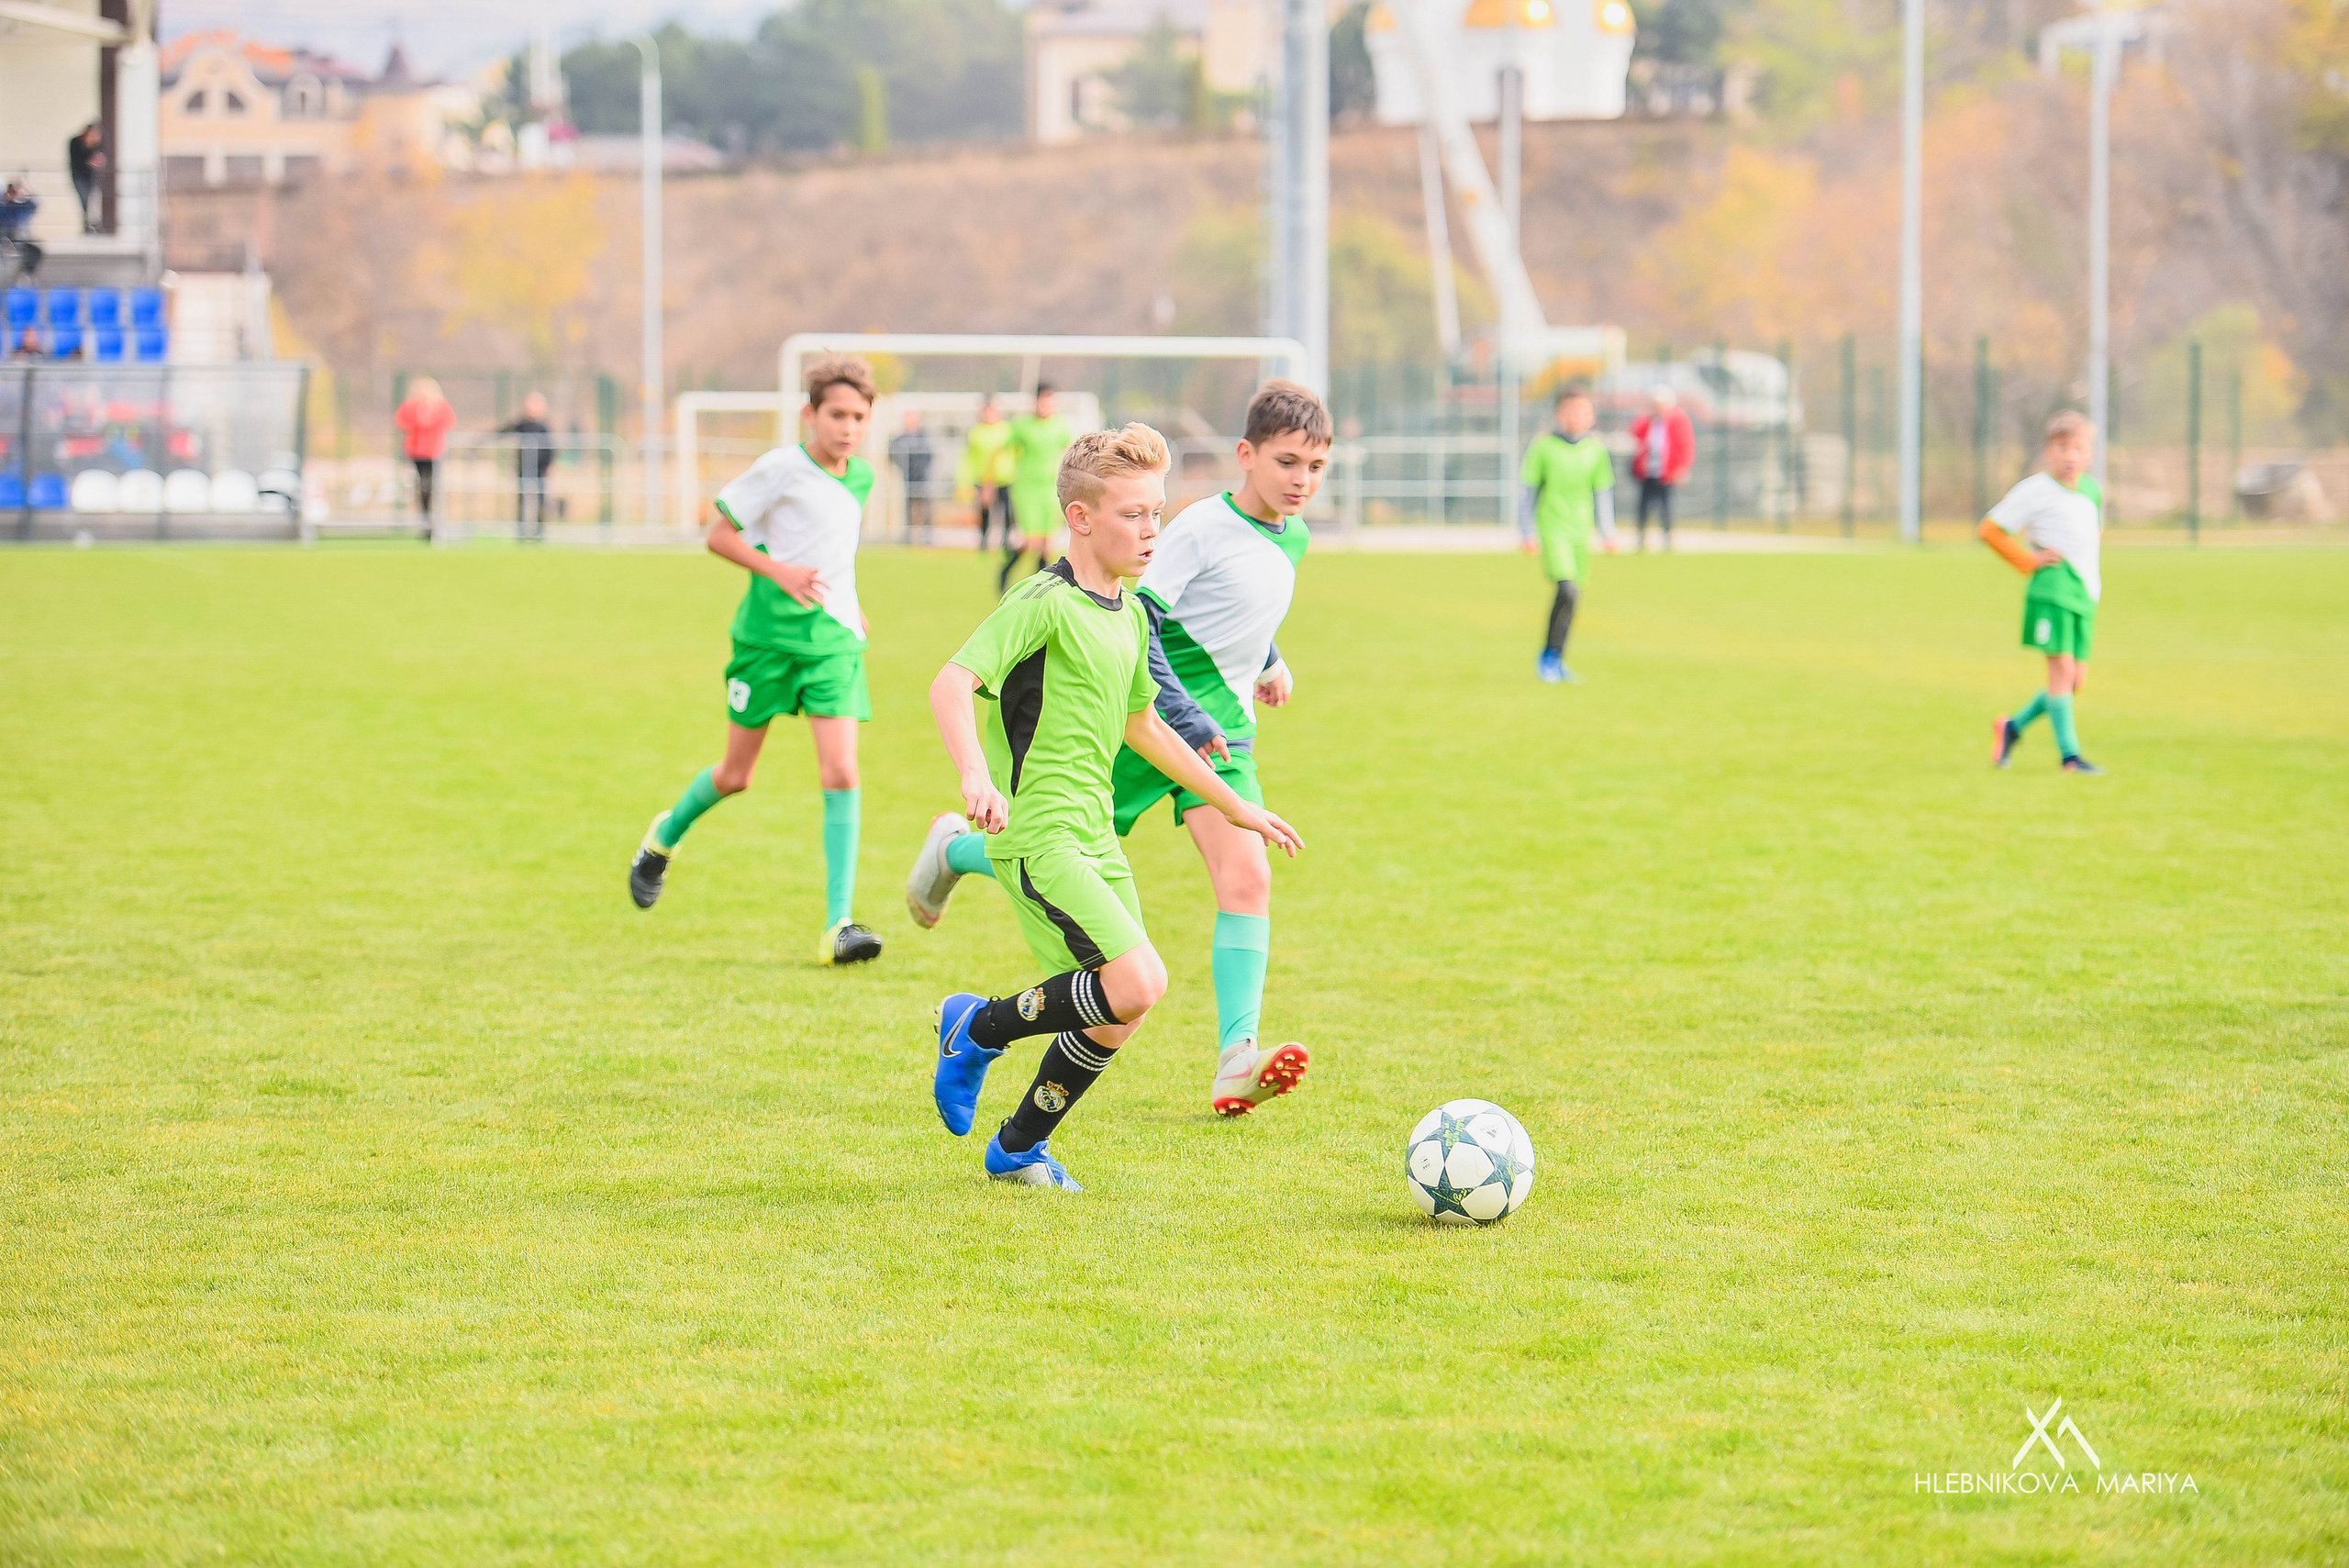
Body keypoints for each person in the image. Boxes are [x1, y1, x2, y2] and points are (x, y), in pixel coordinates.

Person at [907, 381, 1330, 1118]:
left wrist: (1239, 801)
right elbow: (953, 681)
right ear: (1081, 517)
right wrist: (975, 774)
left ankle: (1024, 1142)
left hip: (1125, 805)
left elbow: (1151, 719)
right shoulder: (1052, 598)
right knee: (1130, 973)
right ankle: (973, 1016)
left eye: (1155, 513)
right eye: (1135, 514)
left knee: (1129, 997)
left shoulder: (1136, 610)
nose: (1151, 530)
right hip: (1058, 812)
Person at [627, 355, 887, 964]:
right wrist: (779, 572)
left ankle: (839, 925)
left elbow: (833, 551)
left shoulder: (862, 478)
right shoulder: (780, 468)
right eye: (837, 414)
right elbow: (718, 535)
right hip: (765, 643)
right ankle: (664, 837)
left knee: (842, 772)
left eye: (858, 417)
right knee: (736, 775)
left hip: (832, 645)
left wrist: (851, 604)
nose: (848, 427)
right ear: (809, 414)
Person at [1985, 411, 2107, 775]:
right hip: (2052, 590)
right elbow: (1990, 530)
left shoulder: (2092, 490)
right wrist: (2029, 561)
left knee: (2074, 682)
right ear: (2048, 452)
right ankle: (2070, 758)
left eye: (2078, 448)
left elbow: (2093, 534)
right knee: (2062, 673)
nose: (2070, 456)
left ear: (2090, 454)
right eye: (2062, 447)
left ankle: (2012, 727)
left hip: (2084, 594)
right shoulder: (2035, 490)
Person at [1520, 384, 1616, 684]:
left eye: (1584, 412)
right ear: (1559, 414)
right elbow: (1529, 492)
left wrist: (1608, 532)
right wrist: (1527, 532)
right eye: (1572, 411)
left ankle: (1556, 658)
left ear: (1592, 416)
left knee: (1574, 597)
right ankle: (1548, 658)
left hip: (1580, 532)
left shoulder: (1596, 450)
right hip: (1553, 529)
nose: (1578, 417)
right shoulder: (1543, 447)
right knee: (1567, 589)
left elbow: (1602, 493)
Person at [1001, 384, 1074, 592]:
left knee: (1047, 544)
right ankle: (1005, 570)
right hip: (1027, 488)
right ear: (1036, 402)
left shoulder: (1060, 426)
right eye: (1043, 401)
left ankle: (1038, 588)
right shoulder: (1022, 425)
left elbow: (1069, 450)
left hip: (1050, 489)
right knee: (1031, 540)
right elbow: (1005, 449)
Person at [1628, 384, 1695, 552]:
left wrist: (1682, 467)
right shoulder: (1648, 421)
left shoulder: (1678, 421)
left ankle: (1667, 539)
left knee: (1666, 507)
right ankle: (1641, 539)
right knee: (1643, 506)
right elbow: (1635, 434)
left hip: (1667, 472)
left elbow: (1686, 445)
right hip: (1647, 471)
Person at [392, 378, 455, 537]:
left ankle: (435, 519)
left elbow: (448, 422)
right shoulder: (411, 406)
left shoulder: (440, 406)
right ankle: (425, 520)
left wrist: (430, 421)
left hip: (435, 451)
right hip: (416, 451)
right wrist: (419, 422)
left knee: (433, 485)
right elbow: (401, 421)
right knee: (422, 485)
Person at [957, 395, 1016, 555]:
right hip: (983, 478)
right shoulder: (976, 432)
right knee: (984, 510)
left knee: (1006, 510)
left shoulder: (1007, 430)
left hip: (1004, 478)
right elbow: (969, 457)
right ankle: (983, 541)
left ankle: (1006, 541)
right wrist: (965, 480)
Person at [497, 391, 555, 540]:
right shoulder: (522, 424)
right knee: (522, 500)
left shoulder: (544, 427)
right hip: (523, 469)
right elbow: (503, 431)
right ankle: (521, 532)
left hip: (540, 470)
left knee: (541, 502)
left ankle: (540, 533)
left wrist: (549, 466)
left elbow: (551, 450)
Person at [888, 407, 936, 544]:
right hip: (907, 477)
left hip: (923, 478)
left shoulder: (925, 438)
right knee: (908, 507)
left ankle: (927, 536)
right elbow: (893, 456)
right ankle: (909, 535)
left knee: (925, 507)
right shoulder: (899, 440)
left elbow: (930, 456)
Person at [0, 182, 40, 283]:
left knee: (35, 251)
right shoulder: (3, 208)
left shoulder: (21, 208)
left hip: (18, 240)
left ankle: (24, 275)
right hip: (4, 238)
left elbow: (35, 204)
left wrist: (26, 189)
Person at [68, 125, 106, 232]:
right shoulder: (76, 143)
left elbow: (101, 158)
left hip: (92, 177)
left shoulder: (98, 144)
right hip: (79, 176)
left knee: (94, 199)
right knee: (84, 199)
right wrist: (88, 162)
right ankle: (88, 224)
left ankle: (94, 223)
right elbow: (76, 160)